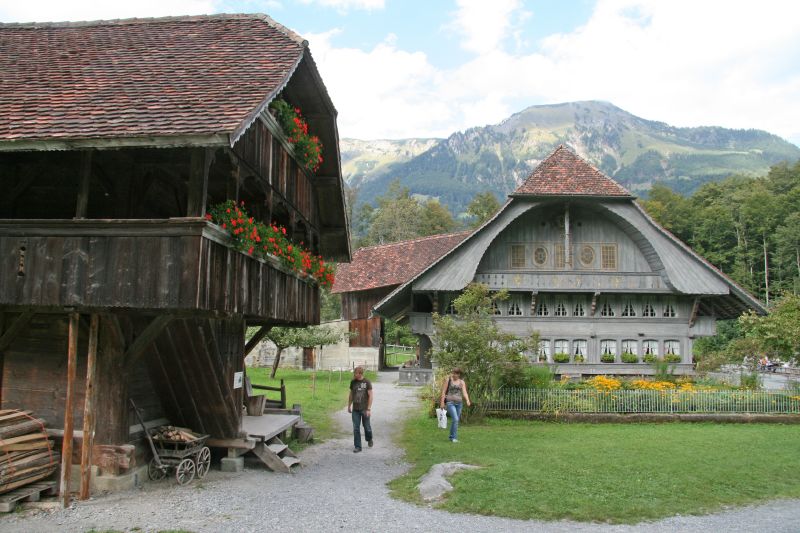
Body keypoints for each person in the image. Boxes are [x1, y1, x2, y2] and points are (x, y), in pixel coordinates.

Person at [439, 367, 471, 443]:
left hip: (459, 403)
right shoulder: (448, 380)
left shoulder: (462, 382)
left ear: (459, 374)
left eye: (456, 373)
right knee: (455, 419)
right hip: (450, 403)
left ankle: (451, 436)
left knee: (455, 420)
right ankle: (454, 438)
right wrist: (442, 402)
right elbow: (443, 391)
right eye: (453, 373)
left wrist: (467, 400)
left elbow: (464, 392)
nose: (454, 375)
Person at [347, 366, 373, 453]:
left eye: (356, 373)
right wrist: (349, 405)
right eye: (354, 373)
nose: (354, 375)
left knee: (367, 427)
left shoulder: (367, 382)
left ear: (360, 373)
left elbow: (371, 396)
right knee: (356, 428)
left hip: (365, 409)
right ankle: (358, 446)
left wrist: (369, 409)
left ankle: (369, 438)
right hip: (356, 409)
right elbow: (351, 394)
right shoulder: (353, 382)